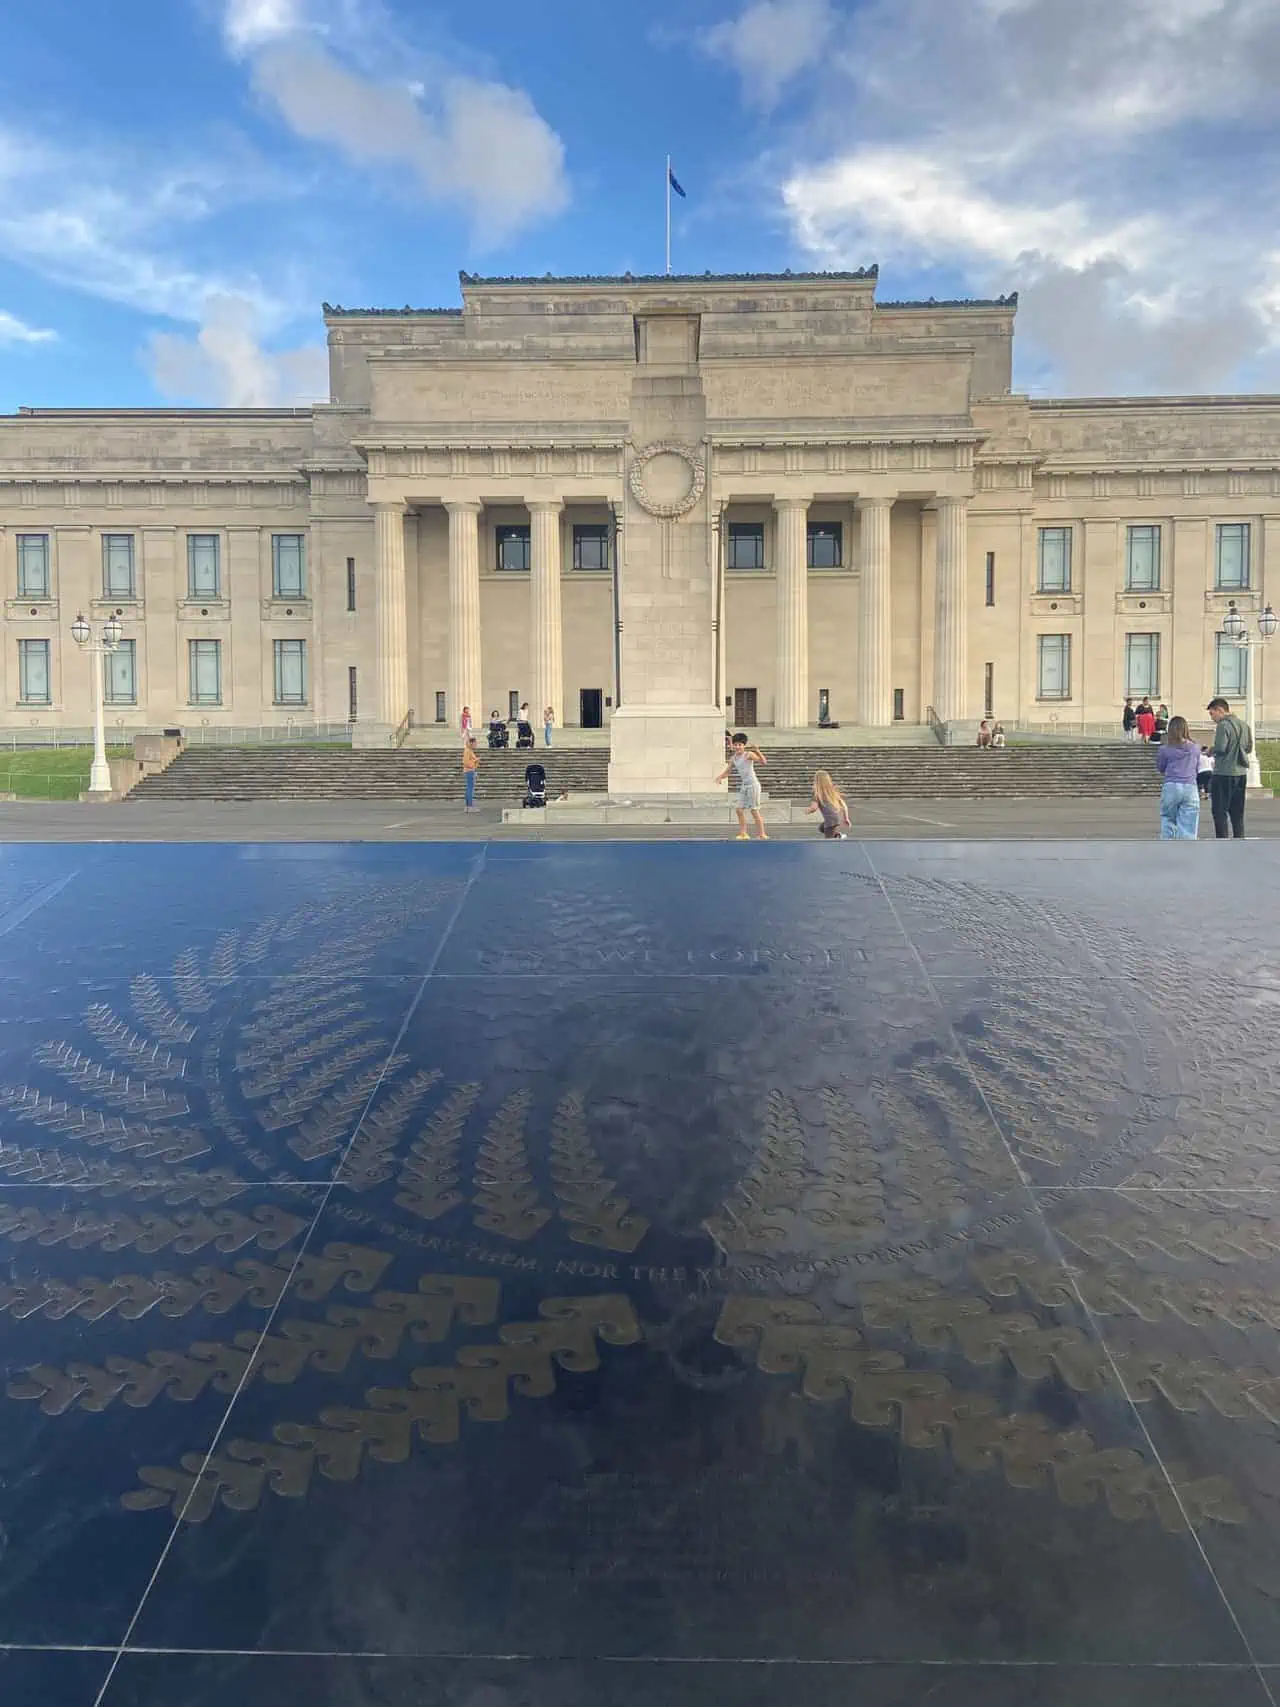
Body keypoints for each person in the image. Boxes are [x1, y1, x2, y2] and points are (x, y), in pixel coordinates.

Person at [1207, 695, 1253, 839]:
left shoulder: (1223, 725)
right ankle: (1239, 840)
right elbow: (1249, 747)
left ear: (1220, 710)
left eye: (1212, 713)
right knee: (1237, 812)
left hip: (1223, 773)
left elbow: (1221, 747)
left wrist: (1211, 750)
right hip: (1240, 773)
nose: (1212, 718)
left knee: (1220, 811)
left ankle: (1223, 843)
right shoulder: (1244, 725)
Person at [1154, 715, 1200, 840]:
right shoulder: (1194, 748)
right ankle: (1187, 849)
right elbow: (1197, 768)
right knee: (1189, 821)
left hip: (1171, 785)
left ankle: (1168, 847)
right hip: (1190, 786)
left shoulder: (1164, 749)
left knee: (1168, 818)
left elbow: (1161, 767)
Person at [716, 732, 768, 841]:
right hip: (744, 786)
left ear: (744, 745)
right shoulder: (734, 758)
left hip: (753, 785)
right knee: (739, 810)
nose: (738, 747)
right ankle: (743, 833)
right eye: (736, 745)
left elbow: (764, 762)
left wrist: (757, 751)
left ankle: (762, 834)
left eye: (740, 745)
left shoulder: (748, 754)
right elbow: (727, 771)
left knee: (754, 810)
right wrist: (720, 777)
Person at [806, 770, 850, 838]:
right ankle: (838, 835)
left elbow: (814, 808)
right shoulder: (832, 791)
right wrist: (846, 818)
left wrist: (807, 810)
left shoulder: (817, 793)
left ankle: (836, 837)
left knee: (828, 840)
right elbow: (844, 805)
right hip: (836, 818)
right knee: (821, 828)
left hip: (830, 821)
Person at [462, 737, 479, 812]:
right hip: (469, 771)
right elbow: (466, 762)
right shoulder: (468, 751)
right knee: (470, 789)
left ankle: (468, 806)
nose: (476, 745)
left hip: (470, 771)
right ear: (471, 743)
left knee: (469, 788)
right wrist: (475, 761)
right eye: (475, 743)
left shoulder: (469, 751)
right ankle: (469, 806)